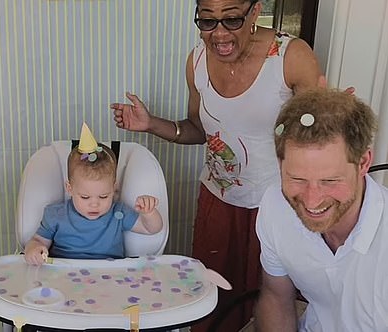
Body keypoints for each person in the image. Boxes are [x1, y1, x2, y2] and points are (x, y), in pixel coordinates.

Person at [109, 0, 322, 330]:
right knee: (211, 302)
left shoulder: (291, 57)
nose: (219, 33)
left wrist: (334, 122)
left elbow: (318, 137)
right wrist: (151, 123)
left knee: (270, 303)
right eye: (207, 21)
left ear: (255, 11)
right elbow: (199, 130)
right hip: (218, 203)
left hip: (276, 207)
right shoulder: (196, 61)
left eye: (232, 19)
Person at [254, 89, 387, 331]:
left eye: (330, 181)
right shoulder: (275, 205)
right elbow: (276, 297)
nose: (312, 200)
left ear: (364, 163)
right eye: (297, 178)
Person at [23, 124, 163, 265]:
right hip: (64, 275)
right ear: (69, 188)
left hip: (108, 275)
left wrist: (149, 213)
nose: (94, 204)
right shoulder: (55, 215)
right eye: (85, 197)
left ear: (114, 188)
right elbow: (38, 241)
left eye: (104, 196)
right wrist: (35, 249)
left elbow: (151, 229)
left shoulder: (118, 214)